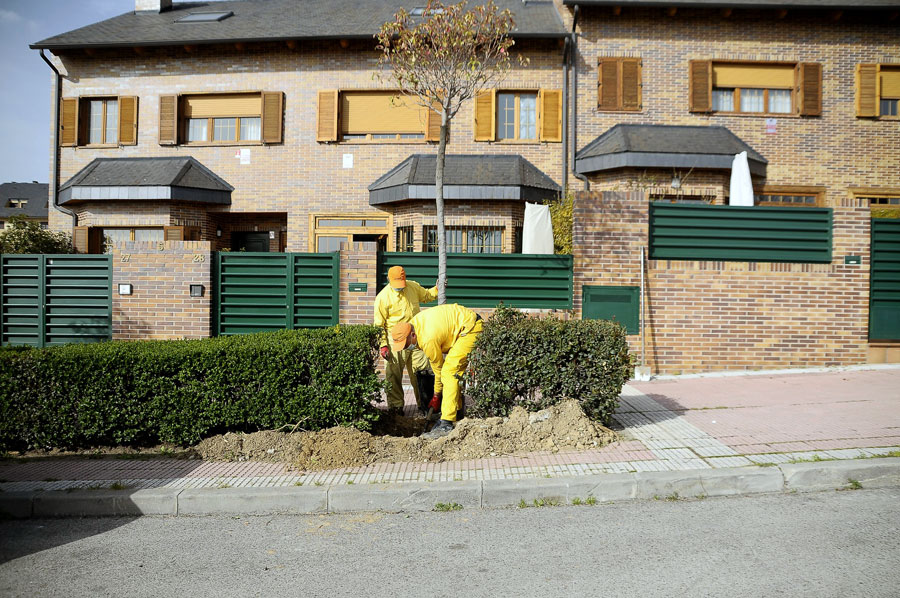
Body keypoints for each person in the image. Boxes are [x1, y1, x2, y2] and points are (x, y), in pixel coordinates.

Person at [391, 303, 483, 439]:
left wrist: (436, 394)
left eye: (406, 344)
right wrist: (437, 394)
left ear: (412, 335)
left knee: (449, 372)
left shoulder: (427, 339)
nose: (406, 348)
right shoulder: (414, 324)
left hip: (470, 329)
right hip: (463, 326)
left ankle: (447, 422)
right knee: (453, 374)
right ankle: (457, 412)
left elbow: (439, 370)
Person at [374, 265, 438, 415]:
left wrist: (436, 289)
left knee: (422, 372)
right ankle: (396, 409)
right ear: (388, 280)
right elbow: (378, 325)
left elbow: (427, 295)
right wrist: (383, 345)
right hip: (395, 340)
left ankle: (425, 405)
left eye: (401, 283)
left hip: (415, 337)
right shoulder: (382, 298)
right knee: (393, 375)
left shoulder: (412, 287)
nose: (400, 288)